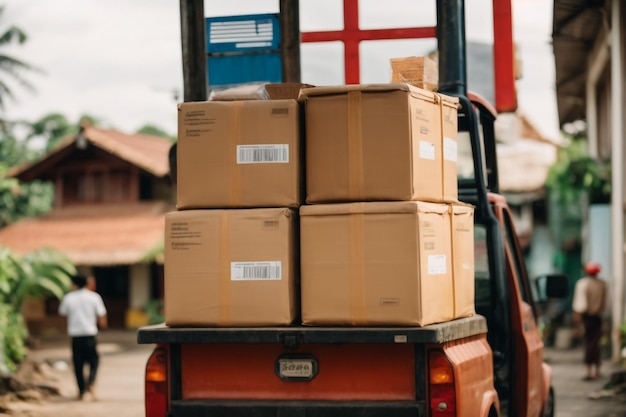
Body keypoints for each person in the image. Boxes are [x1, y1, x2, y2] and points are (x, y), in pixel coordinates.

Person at [58, 274, 108, 400]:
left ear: (74, 285)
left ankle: (81, 390)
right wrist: (102, 327)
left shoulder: (68, 298)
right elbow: (102, 316)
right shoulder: (94, 297)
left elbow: (63, 316)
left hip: (76, 336)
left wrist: (65, 329)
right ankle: (91, 382)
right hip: (90, 334)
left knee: (78, 364)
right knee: (94, 361)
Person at [572, 261, 607, 381]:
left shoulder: (583, 284)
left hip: (586, 317)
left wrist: (577, 319)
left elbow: (580, 304)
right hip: (598, 317)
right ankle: (597, 371)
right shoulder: (602, 284)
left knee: (588, 343)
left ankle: (589, 371)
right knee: (596, 344)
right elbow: (605, 303)